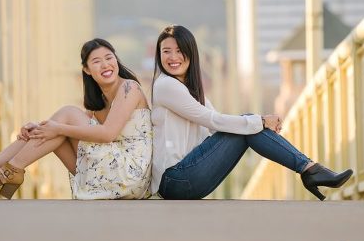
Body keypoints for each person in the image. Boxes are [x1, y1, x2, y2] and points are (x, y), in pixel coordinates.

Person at [151, 24, 352, 201]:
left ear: (191, 53)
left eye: (179, 51)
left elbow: (217, 126)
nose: (173, 57)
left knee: (248, 125)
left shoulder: (186, 89)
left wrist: (257, 123)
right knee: (249, 123)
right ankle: (310, 170)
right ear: (159, 55)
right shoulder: (166, 85)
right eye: (166, 51)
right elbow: (213, 120)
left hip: (185, 178)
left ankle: (309, 169)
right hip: (175, 179)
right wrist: (261, 121)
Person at [0, 39, 152, 200]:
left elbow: (107, 135)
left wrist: (56, 127)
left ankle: (4, 171)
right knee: (56, 128)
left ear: (116, 59)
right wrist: (40, 127)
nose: (106, 65)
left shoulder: (129, 88)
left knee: (65, 117)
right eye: (97, 61)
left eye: (109, 57)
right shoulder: (101, 100)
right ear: (87, 70)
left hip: (131, 173)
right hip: (109, 174)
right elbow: (76, 129)